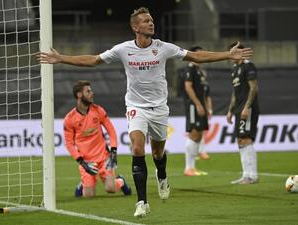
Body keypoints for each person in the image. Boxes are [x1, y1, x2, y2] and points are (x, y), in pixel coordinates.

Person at [37, 7, 253, 217]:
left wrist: (227, 54)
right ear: (135, 27)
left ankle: (162, 175)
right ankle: (142, 202)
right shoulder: (123, 49)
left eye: (151, 20)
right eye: (146, 21)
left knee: (158, 153)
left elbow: (196, 56)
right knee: (138, 148)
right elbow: (94, 60)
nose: (151, 23)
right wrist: (61, 58)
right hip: (136, 107)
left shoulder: (163, 47)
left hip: (159, 108)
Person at [63, 80, 132, 198]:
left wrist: (113, 152)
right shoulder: (70, 119)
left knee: (110, 189)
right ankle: (83, 185)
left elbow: (111, 131)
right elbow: (69, 144)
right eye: (88, 91)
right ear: (79, 95)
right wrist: (82, 162)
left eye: (91, 91)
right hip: (86, 161)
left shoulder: (98, 110)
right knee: (89, 196)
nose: (92, 93)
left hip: (104, 158)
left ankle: (120, 181)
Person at [226, 42, 259, 185]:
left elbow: (254, 88)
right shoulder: (234, 70)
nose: (231, 55)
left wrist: (247, 107)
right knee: (240, 140)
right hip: (239, 109)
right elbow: (235, 92)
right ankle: (246, 174)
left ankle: (253, 176)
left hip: (248, 108)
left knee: (246, 139)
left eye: (233, 52)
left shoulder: (248, 66)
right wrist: (230, 110)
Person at [182, 46, 212, 176]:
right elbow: (188, 87)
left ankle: (192, 167)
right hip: (194, 106)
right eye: (198, 54)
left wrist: (206, 107)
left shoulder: (199, 71)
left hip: (200, 106)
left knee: (199, 135)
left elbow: (205, 93)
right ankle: (188, 168)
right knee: (194, 134)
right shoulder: (190, 68)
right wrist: (198, 104)